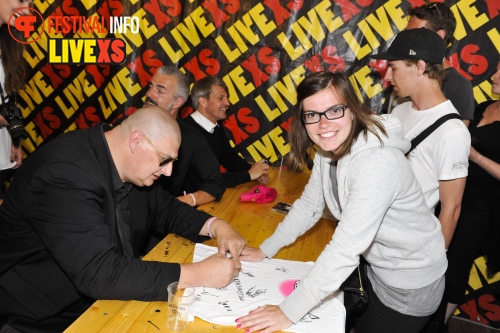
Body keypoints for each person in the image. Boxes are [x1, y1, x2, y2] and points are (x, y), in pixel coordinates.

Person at [0, 106, 245, 333]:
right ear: (136, 141)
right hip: (37, 316)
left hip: (95, 303)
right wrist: (199, 274)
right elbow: (100, 274)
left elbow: (167, 209)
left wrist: (217, 225)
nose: (169, 171)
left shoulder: (128, 164)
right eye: (165, 160)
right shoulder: (65, 175)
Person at [236, 71, 447, 333]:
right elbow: (309, 207)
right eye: (312, 115)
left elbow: (345, 248)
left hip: (410, 285)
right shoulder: (329, 147)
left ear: (352, 109)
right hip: (378, 269)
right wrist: (265, 249)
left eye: (334, 110)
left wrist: (287, 312)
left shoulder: (377, 162)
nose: (323, 124)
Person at [372, 28, 470, 249]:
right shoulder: (399, 111)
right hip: (376, 240)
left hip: (410, 251)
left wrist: (433, 265)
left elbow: (452, 209)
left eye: (393, 68)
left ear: (420, 67)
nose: (387, 77)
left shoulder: (452, 132)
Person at [441, 60, 500, 330]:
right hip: (455, 194)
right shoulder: (484, 106)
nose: (494, 74)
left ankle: (438, 324)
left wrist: (474, 155)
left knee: (456, 264)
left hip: (482, 208)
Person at [144, 66, 225, 207]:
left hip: (159, 223)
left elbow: (216, 183)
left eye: (159, 90)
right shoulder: (127, 126)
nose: (150, 94)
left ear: (178, 102)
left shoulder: (191, 138)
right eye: (151, 86)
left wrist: (183, 202)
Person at [383, 2, 474, 127]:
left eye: (415, 32)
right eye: (407, 33)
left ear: (439, 36)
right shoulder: (400, 72)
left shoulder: (459, 86)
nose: (407, 39)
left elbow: (455, 135)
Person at [185, 76, 270, 188]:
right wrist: (248, 175)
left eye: (227, 98)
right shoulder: (187, 132)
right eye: (221, 98)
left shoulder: (216, 126)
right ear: (203, 101)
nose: (228, 103)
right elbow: (207, 180)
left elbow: (229, 157)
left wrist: (255, 172)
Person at [0, 0, 30, 200]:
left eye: (30, 3)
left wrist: (14, 141)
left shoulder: (8, 40)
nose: (26, 9)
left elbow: (8, 97)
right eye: (20, 0)